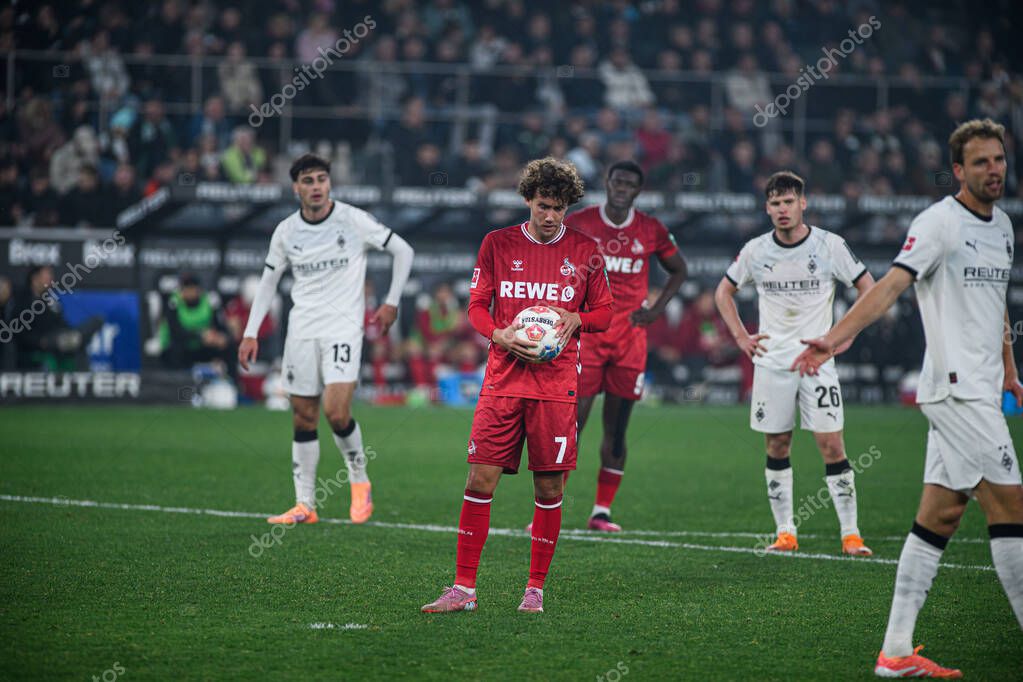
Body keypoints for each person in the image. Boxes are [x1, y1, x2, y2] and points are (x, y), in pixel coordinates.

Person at [794, 119, 1023, 678]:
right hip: (953, 390)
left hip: (983, 391)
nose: (993, 169)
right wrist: (835, 337)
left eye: (999, 159)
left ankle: (895, 651)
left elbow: (996, 313)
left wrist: (1010, 372)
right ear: (958, 171)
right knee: (1013, 510)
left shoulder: (1005, 227)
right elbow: (893, 285)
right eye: (980, 162)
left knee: (941, 516)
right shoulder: (940, 223)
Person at [421, 157, 613, 614]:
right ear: (528, 199)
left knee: (549, 489)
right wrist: (499, 334)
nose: (551, 216)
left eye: (560, 208)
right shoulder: (497, 244)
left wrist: (576, 319)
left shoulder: (585, 250)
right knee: (479, 480)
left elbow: (604, 313)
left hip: (556, 386)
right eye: (544, 206)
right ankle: (464, 589)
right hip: (503, 383)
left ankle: (535, 590)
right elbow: (476, 306)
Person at [238, 154, 414, 525]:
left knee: (336, 411)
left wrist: (391, 302)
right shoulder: (286, 230)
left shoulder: (351, 220)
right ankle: (305, 505)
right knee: (303, 417)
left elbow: (403, 250)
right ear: (295, 188)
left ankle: (359, 480)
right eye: (308, 181)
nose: (316, 186)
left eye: (321, 179)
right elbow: (268, 282)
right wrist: (251, 332)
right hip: (301, 329)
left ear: (329, 183)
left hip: (342, 327)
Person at [714, 171, 876, 556]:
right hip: (771, 363)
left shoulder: (829, 245)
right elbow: (723, 291)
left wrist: (843, 336)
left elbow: (869, 288)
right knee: (777, 443)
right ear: (767, 208)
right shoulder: (756, 250)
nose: (782, 209)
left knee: (831, 445)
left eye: (789, 202)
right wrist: (740, 337)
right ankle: (785, 532)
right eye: (774, 203)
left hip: (817, 362)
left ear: (803, 203)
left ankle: (851, 535)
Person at [555, 160, 687, 532]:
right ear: (608, 183)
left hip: (630, 342)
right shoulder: (581, 222)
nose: (622, 187)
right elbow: (555, 257)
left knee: (617, 429)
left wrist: (656, 309)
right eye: (617, 181)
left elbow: (680, 269)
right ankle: (552, 510)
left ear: (638, 190)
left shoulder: (650, 229)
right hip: (588, 339)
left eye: (630, 183)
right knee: (572, 425)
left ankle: (601, 511)